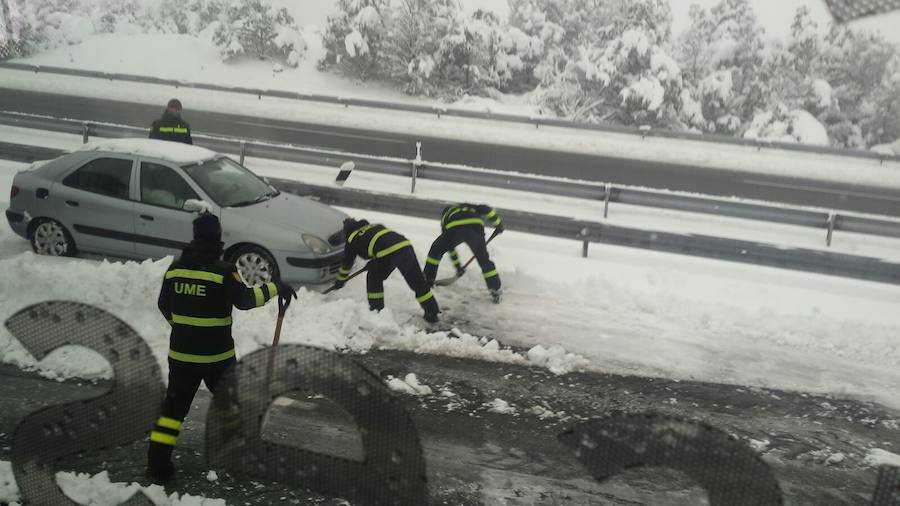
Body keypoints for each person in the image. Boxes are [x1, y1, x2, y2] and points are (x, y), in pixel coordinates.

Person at [147, 213, 296, 484]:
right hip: (218, 359)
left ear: (194, 236)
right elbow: (246, 301)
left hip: (181, 357)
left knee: (172, 412)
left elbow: (163, 305)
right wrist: (275, 288)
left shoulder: (175, 269)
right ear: (217, 237)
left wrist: (183, 329)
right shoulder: (224, 272)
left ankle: (157, 466)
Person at [331, 218, 440, 323]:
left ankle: (376, 311)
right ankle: (432, 311)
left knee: (374, 277)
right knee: (417, 282)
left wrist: (340, 280)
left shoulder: (352, 239)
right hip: (405, 246)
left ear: (347, 231)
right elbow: (380, 242)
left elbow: (347, 263)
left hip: (388, 252)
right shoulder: (375, 226)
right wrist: (375, 261)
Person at [423, 203, 504, 303]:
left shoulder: (446, 218)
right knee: (484, 261)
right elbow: (487, 209)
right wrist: (498, 224)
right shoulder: (471, 207)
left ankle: (427, 281)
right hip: (475, 228)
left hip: (454, 228)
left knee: (436, 250)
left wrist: (458, 267)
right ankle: (495, 290)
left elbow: (450, 248)